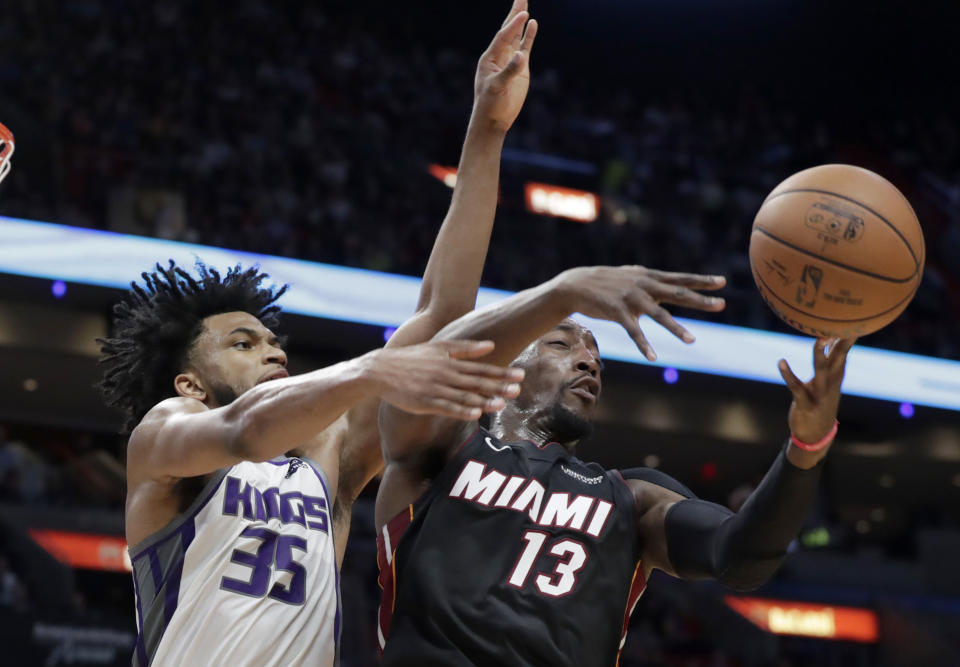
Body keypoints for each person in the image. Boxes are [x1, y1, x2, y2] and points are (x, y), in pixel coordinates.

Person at [97, 3, 539, 665]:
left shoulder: (327, 457)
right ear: (189, 379)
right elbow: (246, 432)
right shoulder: (164, 435)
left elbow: (443, 308)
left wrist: (487, 128)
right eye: (241, 343)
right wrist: (371, 371)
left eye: (272, 340)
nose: (271, 348)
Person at [376, 265, 855, 666]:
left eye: (597, 358)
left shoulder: (631, 496)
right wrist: (561, 293)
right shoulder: (445, 450)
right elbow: (431, 352)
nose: (589, 363)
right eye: (562, 345)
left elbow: (741, 557)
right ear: (503, 370)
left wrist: (806, 449)